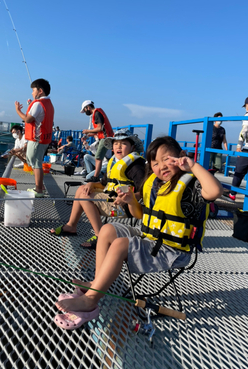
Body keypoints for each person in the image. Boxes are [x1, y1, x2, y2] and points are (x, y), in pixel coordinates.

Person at [53, 136, 223, 330]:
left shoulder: (191, 185)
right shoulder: (154, 183)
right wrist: (132, 202)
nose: (162, 167)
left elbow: (215, 191)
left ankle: (91, 301)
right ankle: (96, 283)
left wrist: (192, 166)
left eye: (167, 159)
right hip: (150, 239)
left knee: (120, 244)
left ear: (181, 157)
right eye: (155, 163)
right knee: (108, 230)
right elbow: (140, 215)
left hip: (172, 251)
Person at [50, 129, 146, 249]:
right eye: (116, 143)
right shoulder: (114, 163)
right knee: (82, 189)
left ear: (132, 148)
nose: (119, 146)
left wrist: (129, 198)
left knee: (85, 197)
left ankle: (100, 235)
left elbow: (144, 191)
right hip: (110, 199)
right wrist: (91, 185)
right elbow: (104, 184)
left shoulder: (135, 166)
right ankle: (71, 226)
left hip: (123, 207)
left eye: (124, 143)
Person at [15, 78, 54, 197]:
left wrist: (18, 110)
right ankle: (40, 186)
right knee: (36, 161)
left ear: (40, 91)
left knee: (35, 163)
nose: (32, 93)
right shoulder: (48, 104)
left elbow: (28, 119)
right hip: (43, 139)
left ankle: (39, 190)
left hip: (36, 139)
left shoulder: (38, 104)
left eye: (33, 90)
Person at [80, 100, 114, 182]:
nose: (85, 112)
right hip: (106, 137)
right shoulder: (97, 112)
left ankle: (95, 177)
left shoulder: (96, 113)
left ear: (88, 107)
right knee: (97, 157)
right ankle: (93, 175)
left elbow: (99, 128)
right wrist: (88, 135)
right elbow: (99, 131)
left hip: (105, 139)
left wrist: (87, 131)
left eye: (84, 110)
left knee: (98, 157)